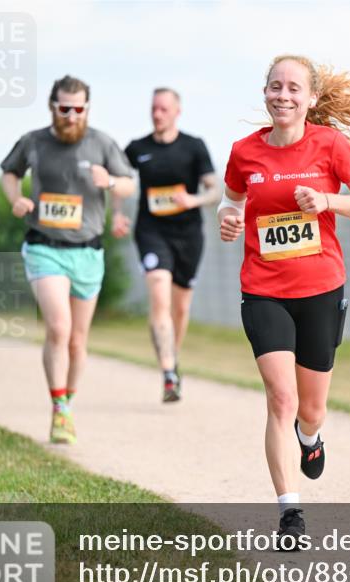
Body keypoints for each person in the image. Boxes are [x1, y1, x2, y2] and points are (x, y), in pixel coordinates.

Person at [219, 55, 350, 549]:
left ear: (311, 99)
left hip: (320, 289)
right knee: (281, 398)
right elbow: (231, 201)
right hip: (263, 289)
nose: (283, 96)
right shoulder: (244, 152)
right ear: (265, 93)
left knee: (311, 410)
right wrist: (228, 220)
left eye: (294, 88)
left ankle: (311, 438)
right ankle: (290, 513)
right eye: (275, 87)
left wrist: (329, 202)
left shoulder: (330, 145)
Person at [1, 75, 135, 444]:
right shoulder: (34, 142)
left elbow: (128, 183)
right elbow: (9, 172)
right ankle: (58, 408)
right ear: (52, 106)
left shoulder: (102, 143)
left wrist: (108, 182)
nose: (72, 115)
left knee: (77, 341)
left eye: (79, 109)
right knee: (58, 329)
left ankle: (68, 405)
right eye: (65, 108)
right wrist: (16, 199)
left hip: (88, 252)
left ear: (86, 109)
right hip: (45, 246)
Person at [112, 88, 219, 402]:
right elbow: (119, 179)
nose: (157, 114)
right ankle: (169, 372)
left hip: (188, 235)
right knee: (159, 289)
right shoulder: (137, 148)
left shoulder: (193, 146)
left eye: (164, 109)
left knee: (181, 307)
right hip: (151, 231)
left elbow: (214, 189)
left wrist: (193, 199)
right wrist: (117, 213)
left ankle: (173, 356)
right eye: (154, 108)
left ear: (177, 112)